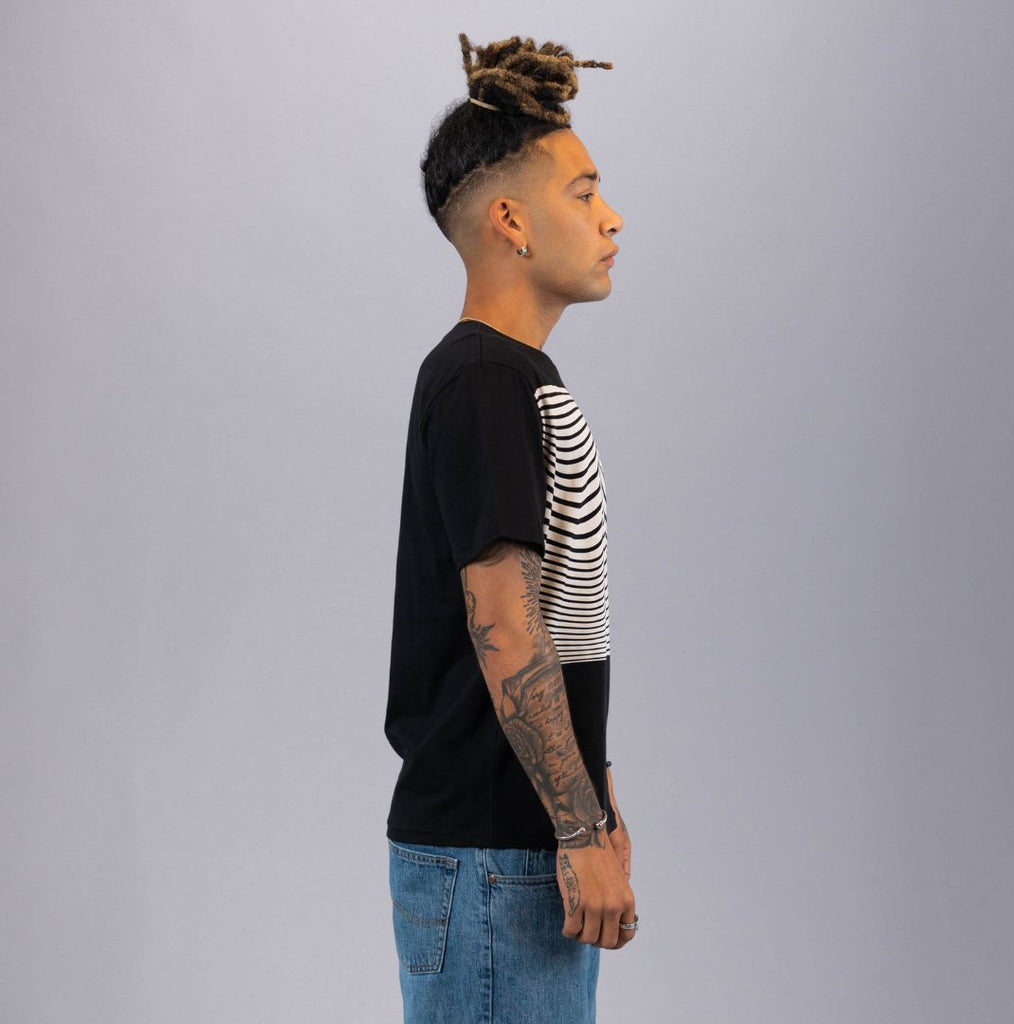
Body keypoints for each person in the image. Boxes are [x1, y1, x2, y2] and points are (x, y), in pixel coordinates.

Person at [384, 32, 636, 1023]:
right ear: (511, 221)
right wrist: (576, 831)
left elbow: (560, 623)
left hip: (509, 853)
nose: (611, 217)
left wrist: (596, 808)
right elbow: (505, 624)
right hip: (495, 857)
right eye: (584, 193)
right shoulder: (487, 379)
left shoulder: (515, 379)